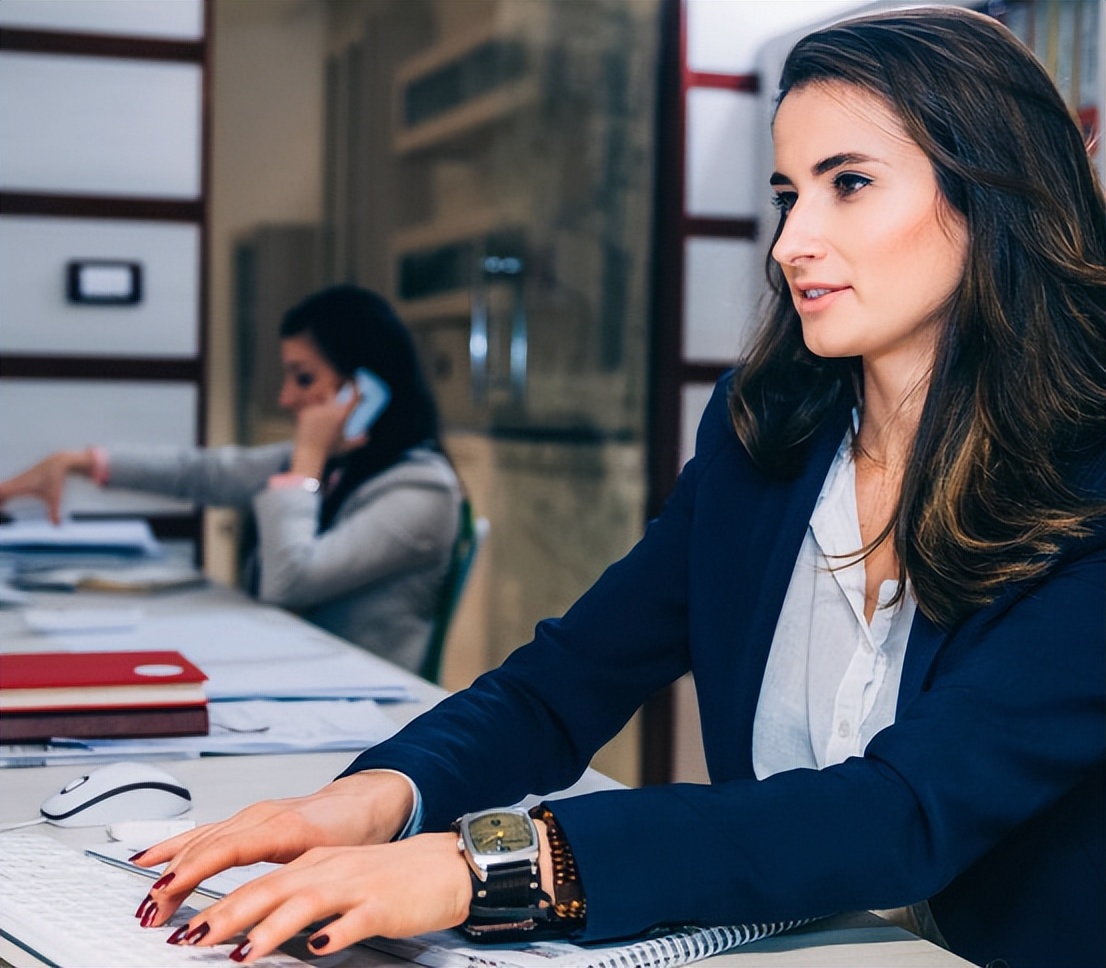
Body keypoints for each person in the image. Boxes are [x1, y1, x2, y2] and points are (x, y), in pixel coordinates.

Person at [124, 9, 1104, 967]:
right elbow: (565, 683)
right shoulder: (765, 435)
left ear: (992, 193)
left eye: (847, 184)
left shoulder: (1090, 478)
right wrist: (374, 795)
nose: (790, 241)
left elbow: (902, 810)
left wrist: (494, 864)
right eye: (786, 194)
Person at [0, 285, 462, 674]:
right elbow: (204, 473)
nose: (286, 398)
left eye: (303, 379)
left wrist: (306, 460)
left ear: (365, 393)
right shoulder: (338, 464)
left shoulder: (423, 491)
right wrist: (81, 461)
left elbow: (290, 581)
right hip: (293, 674)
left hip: (368, 706)